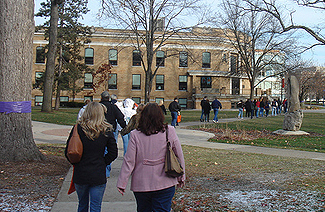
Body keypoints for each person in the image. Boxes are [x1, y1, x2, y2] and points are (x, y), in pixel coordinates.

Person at [116, 103, 185, 212]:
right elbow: (179, 155)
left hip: (142, 183)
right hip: (165, 181)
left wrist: (122, 182)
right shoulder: (169, 131)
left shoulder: (135, 135)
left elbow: (129, 161)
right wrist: (182, 175)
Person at [65, 102, 118, 212]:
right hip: (98, 172)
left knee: (82, 205)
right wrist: (103, 162)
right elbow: (113, 152)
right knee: (95, 206)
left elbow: (68, 151)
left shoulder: (78, 128)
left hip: (81, 172)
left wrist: (76, 163)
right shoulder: (106, 130)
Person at [100, 91, 126, 178]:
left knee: (100, 149)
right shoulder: (113, 107)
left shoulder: (98, 107)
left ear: (101, 98)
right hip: (111, 131)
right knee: (109, 149)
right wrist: (124, 127)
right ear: (109, 98)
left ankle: (101, 169)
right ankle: (106, 170)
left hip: (98, 130)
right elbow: (120, 117)